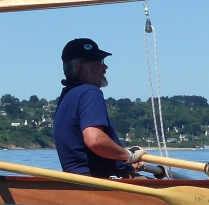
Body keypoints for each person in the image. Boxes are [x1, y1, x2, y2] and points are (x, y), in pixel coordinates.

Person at [53, 38, 145, 177]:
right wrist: (128, 156)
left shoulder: (67, 96)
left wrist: (122, 154)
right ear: (80, 67)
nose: (105, 67)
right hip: (106, 181)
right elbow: (95, 140)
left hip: (75, 181)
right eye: (98, 62)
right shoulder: (90, 92)